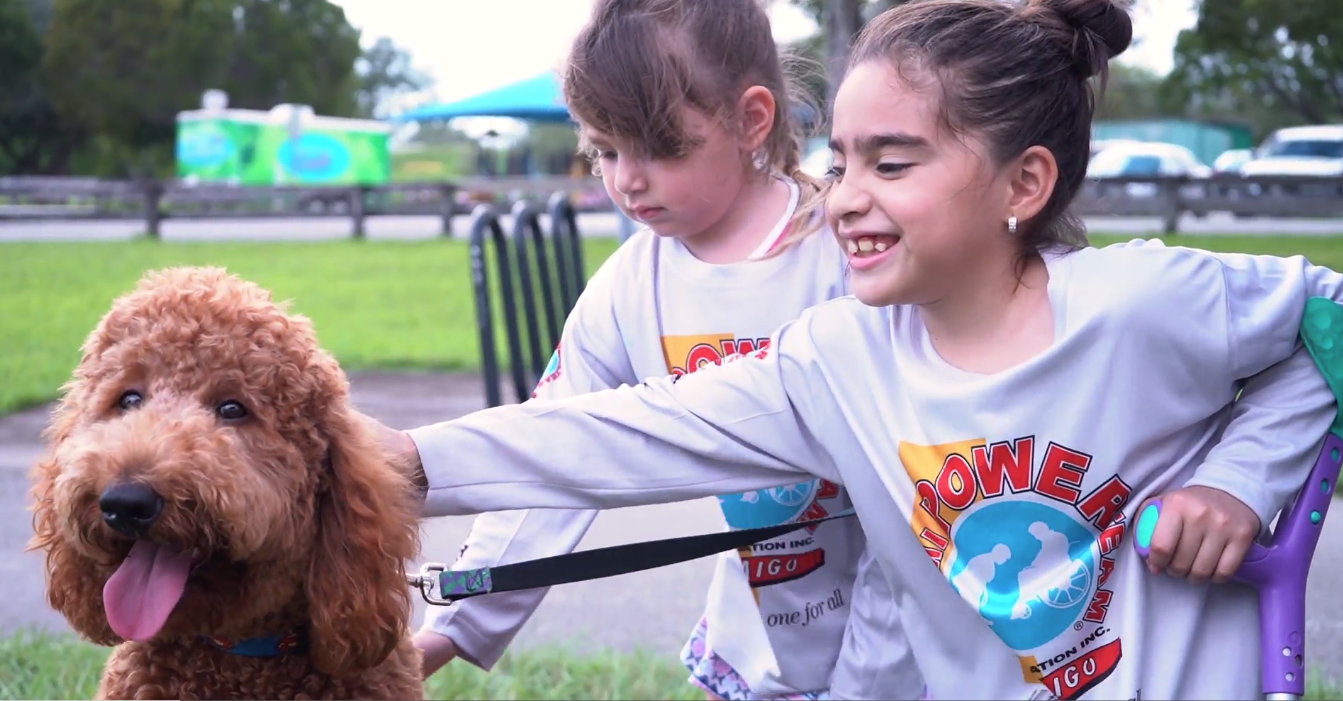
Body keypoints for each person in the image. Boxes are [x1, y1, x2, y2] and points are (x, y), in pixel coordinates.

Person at [377, 0, 1343, 697]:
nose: (841, 195)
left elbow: (1326, 318)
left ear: (1025, 182)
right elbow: (619, 432)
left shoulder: (1136, 301)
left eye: (891, 161)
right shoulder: (837, 358)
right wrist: (409, 464)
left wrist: (1240, 479)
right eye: (839, 162)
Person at [412, 1, 924, 699]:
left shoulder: (845, 257)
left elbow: (913, 483)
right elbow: (556, 451)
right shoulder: (630, 285)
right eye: (605, 150)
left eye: (659, 146)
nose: (627, 178)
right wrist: (455, 624)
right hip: (755, 652)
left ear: (751, 119)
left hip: (908, 638)